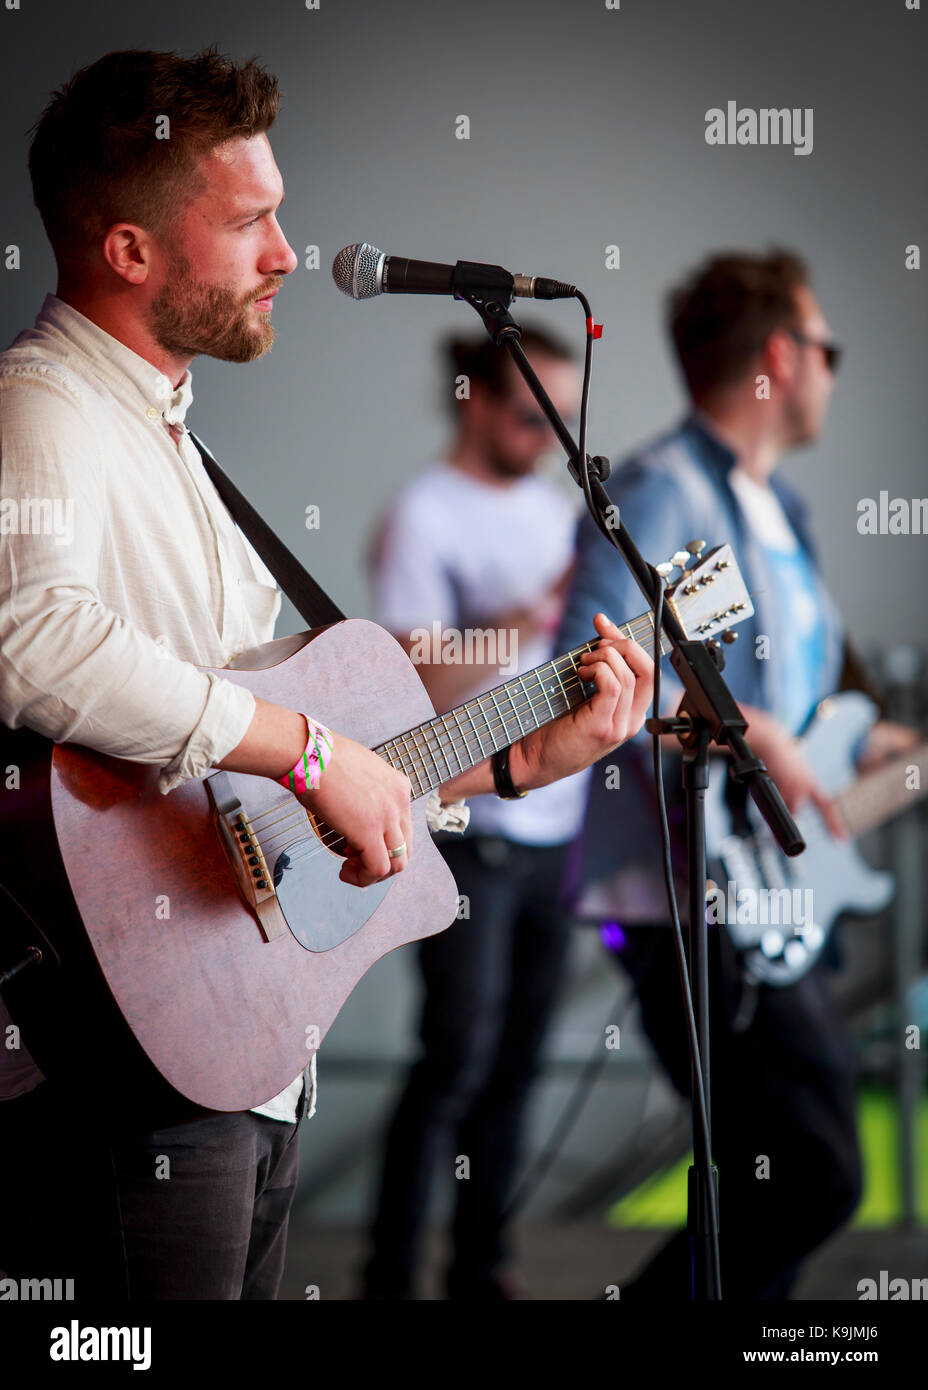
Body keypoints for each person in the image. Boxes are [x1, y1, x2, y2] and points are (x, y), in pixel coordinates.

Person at [0, 47, 653, 1301]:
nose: (289, 251)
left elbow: (307, 769)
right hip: (131, 1064)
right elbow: (34, 643)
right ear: (130, 251)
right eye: (249, 220)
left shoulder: (170, 435)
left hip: (239, 1039)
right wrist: (308, 752)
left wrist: (518, 760)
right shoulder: (42, 413)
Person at [556, 249, 916, 1299]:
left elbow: (812, 718)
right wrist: (749, 724)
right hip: (688, 894)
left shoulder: (781, 512)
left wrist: (866, 747)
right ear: (778, 355)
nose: (833, 372)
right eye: (826, 348)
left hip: (765, 893)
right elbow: (601, 670)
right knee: (811, 1171)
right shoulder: (666, 486)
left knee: (781, 1180)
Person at [362, 329, 592, 1300]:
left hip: (561, 826)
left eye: (562, 424)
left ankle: (479, 1270)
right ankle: (386, 1275)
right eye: (528, 415)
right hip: (467, 828)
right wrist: (527, 615)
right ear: (471, 398)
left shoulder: (568, 511)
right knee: (453, 1059)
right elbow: (411, 673)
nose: (546, 439)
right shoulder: (422, 514)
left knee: (518, 1068)